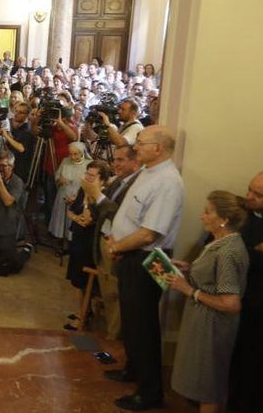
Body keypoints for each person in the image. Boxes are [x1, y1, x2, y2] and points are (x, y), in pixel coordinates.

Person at [103, 125, 185, 411]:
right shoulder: (148, 171)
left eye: (141, 142)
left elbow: (150, 233)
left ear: (158, 148)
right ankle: (133, 370)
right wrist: (116, 239)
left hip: (147, 260)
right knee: (131, 320)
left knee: (144, 325)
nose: (135, 146)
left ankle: (150, 392)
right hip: (130, 255)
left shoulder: (168, 182)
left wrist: (116, 246)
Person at [167, 191, 249, 413]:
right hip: (201, 322)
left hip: (212, 327)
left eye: (208, 212)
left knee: (208, 386)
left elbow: (231, 303)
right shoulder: (219, 243)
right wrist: (190, 268)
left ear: (224, 220)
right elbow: (215, 278)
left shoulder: (228, 251)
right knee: (200, 380)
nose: (202, 216)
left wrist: (189, 290)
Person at [81, 144, 141, 340]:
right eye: (114, 159)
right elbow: (103, 212)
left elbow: (120, 216)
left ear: (135, 162)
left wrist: (97, 195)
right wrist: (91, 198)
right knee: (107, 292)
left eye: (121, 160)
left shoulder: (137, 185)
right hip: (104, 240)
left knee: (115, 295)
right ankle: (110, 331)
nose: (115, 164)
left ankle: (114, 339)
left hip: (119, 246)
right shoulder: (118, 182)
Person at [228, 171, 263, 413]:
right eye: (249, 190)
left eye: (258, 195)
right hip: (233, 296)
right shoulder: (240, 214)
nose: (249, 197)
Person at [63, 160, 112, 331]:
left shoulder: (102, 199)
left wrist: (84, 205)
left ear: (103, 180)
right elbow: (71, 213)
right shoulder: (83, 190)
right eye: (87, 174)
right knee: (77, 279)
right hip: (78, 238)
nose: (88, 179)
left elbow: (88, 218)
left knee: (85, 280)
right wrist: (78, 217)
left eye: (92, 176)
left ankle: (83, 316)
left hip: (90, 243)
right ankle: (82, 310)